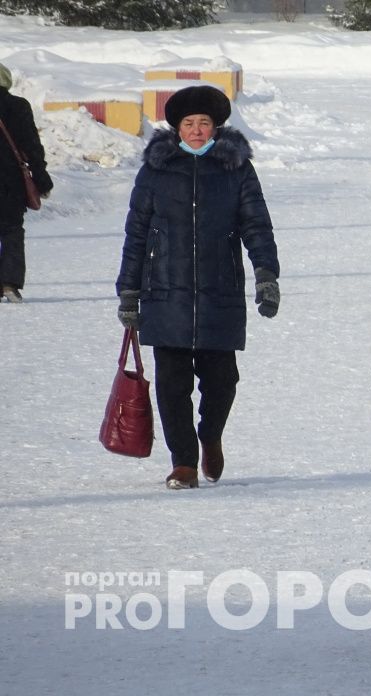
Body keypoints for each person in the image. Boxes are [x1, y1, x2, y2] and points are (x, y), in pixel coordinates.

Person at [116, 85, 279, 489]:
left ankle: (210, 435)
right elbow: (136, 233)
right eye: (189, 123)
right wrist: (129, 291)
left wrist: (266, 274)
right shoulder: (156, 169)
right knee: (172, 385)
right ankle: (184, 462)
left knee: (222, 380)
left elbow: (256, 224)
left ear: (215, 126)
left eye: (204, 123)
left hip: (219, 288)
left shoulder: (235, 167)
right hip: (164, 291)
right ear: (177, 127)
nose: (196, 130)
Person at [0, 62, 54, 303]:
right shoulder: (18, 106)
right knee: (12, 229)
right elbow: (32, 147)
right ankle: (10, 284)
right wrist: (42, 179)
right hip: (10, 181)